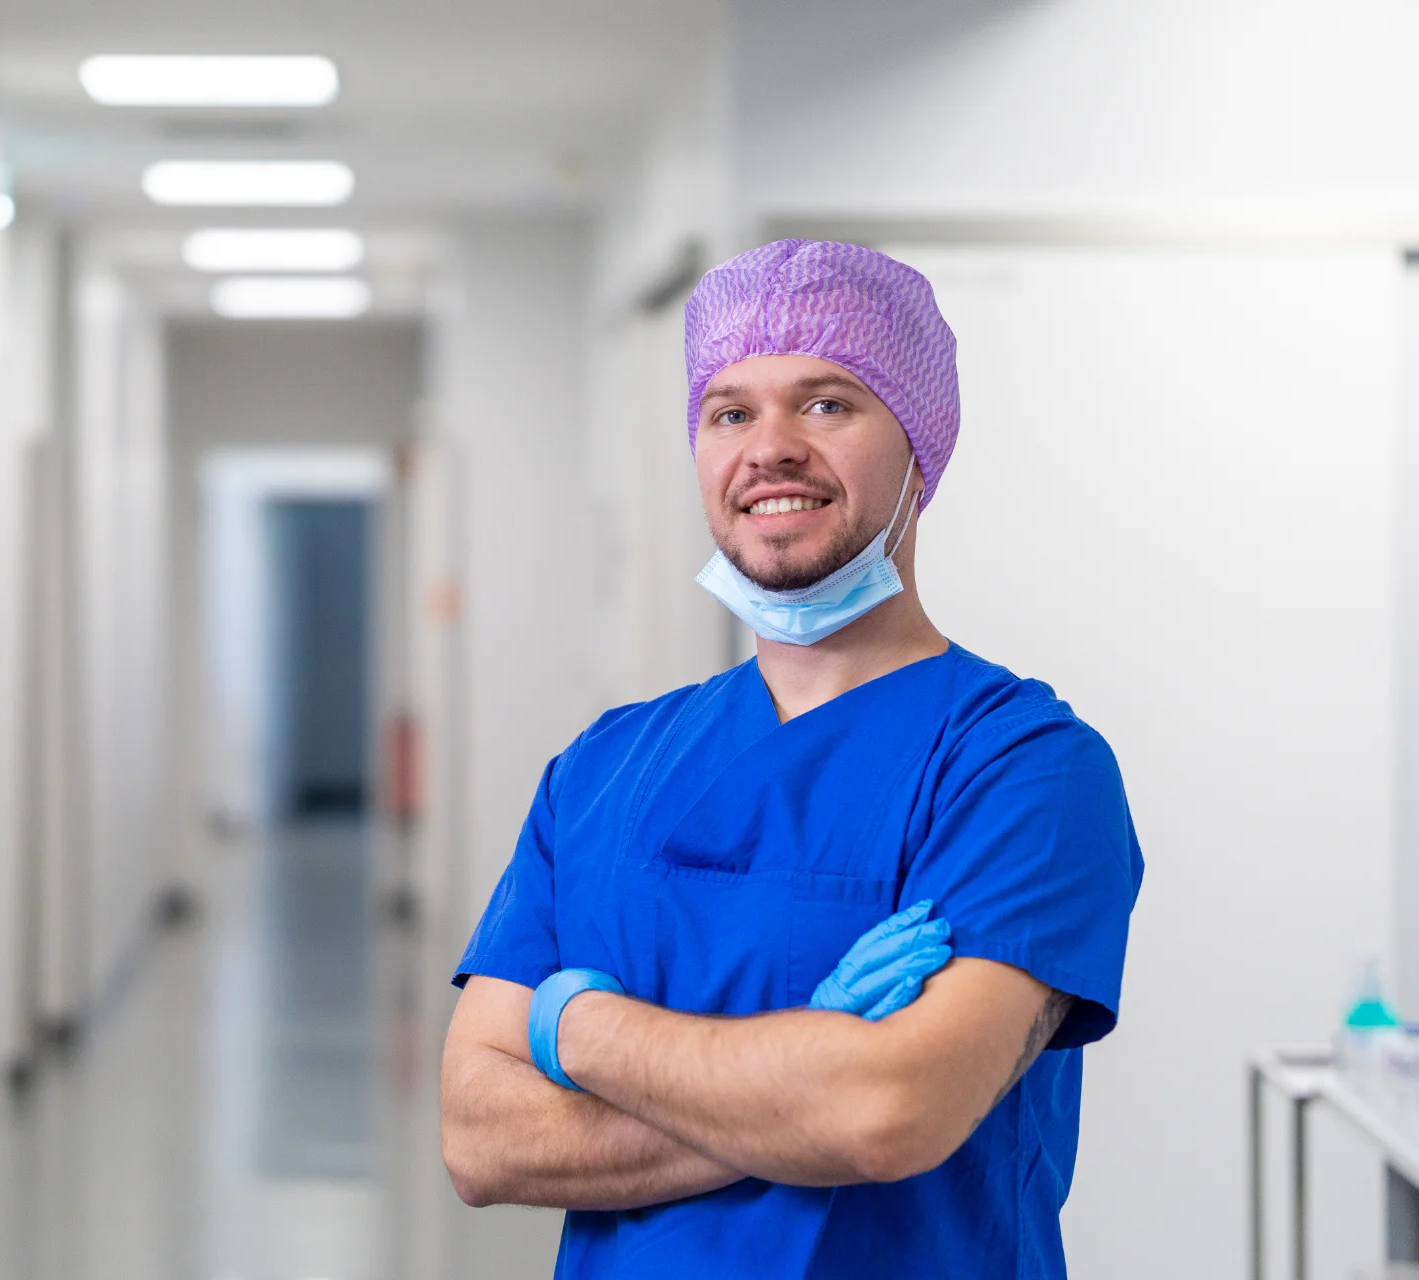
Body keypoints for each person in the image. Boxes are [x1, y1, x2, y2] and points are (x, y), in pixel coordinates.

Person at [438, 240, 1143, 1279]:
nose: (770, 448)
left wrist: (574, 1024)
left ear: (921, 448)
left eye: (826, 403)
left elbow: (885, 1114)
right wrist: (804, 1071)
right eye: (730, 413)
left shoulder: (1023, 769)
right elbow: (480, 1137)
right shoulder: (600, 769)